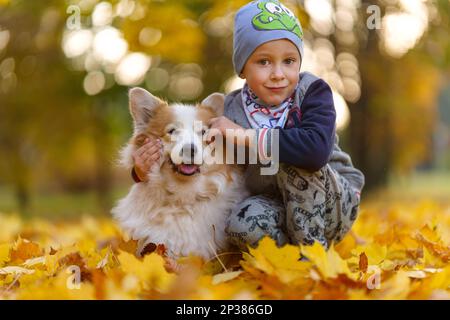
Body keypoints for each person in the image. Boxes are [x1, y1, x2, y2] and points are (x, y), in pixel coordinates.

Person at [131, 0, 365, 250]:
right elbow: (200, 151)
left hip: (333, 202)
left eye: (289, 61)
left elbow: (315, 152)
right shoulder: (231, 109)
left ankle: (313, 257)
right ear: (243, 68)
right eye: (264, 62)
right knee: (240, 226)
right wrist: (141, 172)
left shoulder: (313, 92)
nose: (278, 73)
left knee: (286, 160)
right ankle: (285, 257)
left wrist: (244, 136)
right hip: (277, 206)